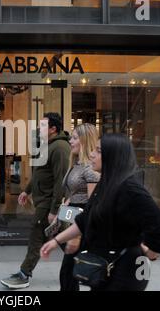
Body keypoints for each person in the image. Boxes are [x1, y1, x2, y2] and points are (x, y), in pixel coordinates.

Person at [40, 134, 160, 291]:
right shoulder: (106, 183)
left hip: (125, 273)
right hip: (104, 269)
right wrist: (56, 241)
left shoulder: (130, 190)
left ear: (113, 156)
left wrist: (148, 251)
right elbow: (85, 219)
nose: (91, 154)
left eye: (98, 151)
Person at [1, 112, 70, 289]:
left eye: (44, 125)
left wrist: (54, 210)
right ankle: (84, 263)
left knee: (36, 237)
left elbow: (60, 181)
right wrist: (27, 191)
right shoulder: (49, 145)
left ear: (53, 129)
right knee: (64, 238)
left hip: (48, 203)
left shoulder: (61, 148)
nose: (40, 128)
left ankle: (24, 274)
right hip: (43, 201)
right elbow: (40, 173)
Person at [59, 123, 100, 291]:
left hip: (82, 225)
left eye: (75, 138)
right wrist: (68, 202)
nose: (70, 141)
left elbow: (92, 204)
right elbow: (76, 192)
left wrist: (77, 236)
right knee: (69, 274)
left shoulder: (90, 170)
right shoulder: (76, 164)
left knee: (68, 274)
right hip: (72, 217)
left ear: (85, 140)